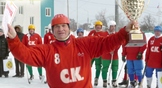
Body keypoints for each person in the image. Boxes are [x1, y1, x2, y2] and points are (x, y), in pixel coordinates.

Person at [6, 14, 135, 88]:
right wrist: (13, 39)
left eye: (63, 26)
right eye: (57, 27)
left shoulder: (84, 43)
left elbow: (107, 42)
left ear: (69, 28)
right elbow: (25, 54)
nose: (60, 29)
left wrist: (125, 32)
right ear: (52, 30)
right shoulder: (48, 50)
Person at [101, 20, 119, 88]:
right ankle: (104, 81)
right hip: (106, 55)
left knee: (115, 68)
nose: (113, 28)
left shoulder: (116, 35)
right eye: (111, 26)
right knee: (105, 68)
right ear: (109, 27)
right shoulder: (104, 34)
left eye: (114, 26)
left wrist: (115, 49)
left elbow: (119, 43)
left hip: (115, 55)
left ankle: (114, 80)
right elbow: (103, 44)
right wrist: (109, 50)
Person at [88, 21, 106, 86]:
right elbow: (88, 41)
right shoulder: (92, 33)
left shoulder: (104, 34)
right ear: (95, 27)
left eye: (99, 27)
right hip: (91, 53)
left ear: (101, 27)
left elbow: (104, 44)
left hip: (99, 53)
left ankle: (96, 78)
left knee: (98, 67)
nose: (98, 28)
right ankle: (86, 78)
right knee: (87, 66)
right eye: (97, 27)